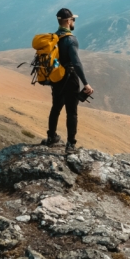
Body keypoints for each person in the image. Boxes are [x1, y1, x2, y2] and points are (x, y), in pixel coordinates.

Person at [46, 8, 94, 154]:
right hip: (70, 78)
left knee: (56, 108)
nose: (74, 22)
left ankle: (51, 137)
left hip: (57, 78)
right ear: (68, 21)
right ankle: (70, 145)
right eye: (73, 19)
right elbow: (77, 63)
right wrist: (86, 83)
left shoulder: (53, 38)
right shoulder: (70, 39)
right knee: (71, 112)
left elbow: (53, 60)